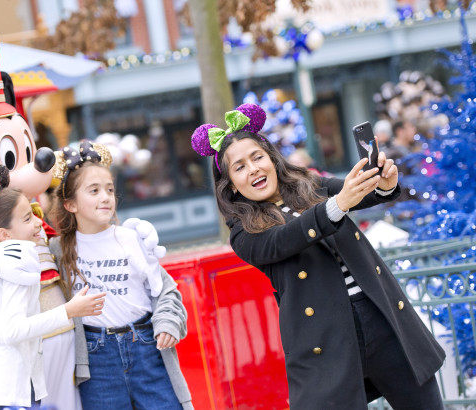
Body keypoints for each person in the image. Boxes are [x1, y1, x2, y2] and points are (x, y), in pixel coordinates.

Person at [190, 103, 445, 410]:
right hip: (326, 342)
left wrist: (384, 185)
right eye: (240, 166)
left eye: (257, 157)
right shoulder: (243, 233)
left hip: (383, 319)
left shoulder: (309, 184)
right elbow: (288, 238)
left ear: (271, 158)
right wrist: (337, 206)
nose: (253, 168)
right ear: (231, 183)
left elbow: (357, 193)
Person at [0, 167, 107, 410]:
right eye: (28, 218)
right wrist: (69, 311)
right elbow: (12, 331)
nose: (39, 223)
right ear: (4, 234)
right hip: (15, 394)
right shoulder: (19, 270)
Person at [48, 140, 193, 410]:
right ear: (70, 205)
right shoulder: (57, 250)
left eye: (110, 190)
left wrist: (167, 324)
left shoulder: (131, 238)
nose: (105, 197)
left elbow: (166, 291)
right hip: (95, 360)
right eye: (94, 190)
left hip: (146, 347)